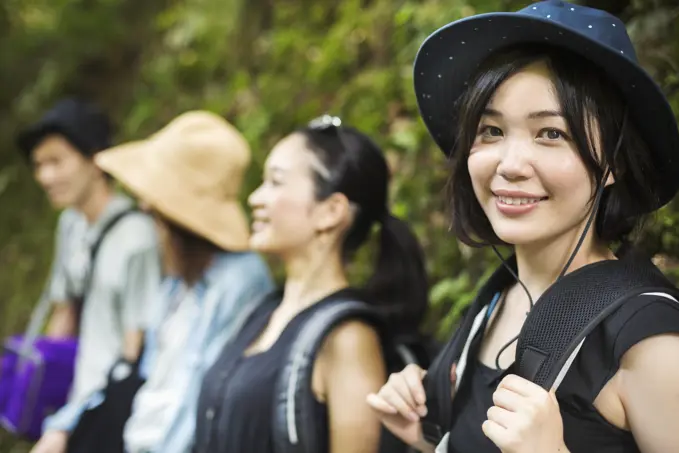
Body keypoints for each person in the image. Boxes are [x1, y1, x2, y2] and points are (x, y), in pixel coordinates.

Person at [367, 2, 679, 453]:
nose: (510, 165)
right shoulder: (496, 300)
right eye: (491, 131)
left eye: (551, 133)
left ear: (613, 160)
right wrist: (426, 435)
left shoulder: (648, 339)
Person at [193, 115, 430, 453]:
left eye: (276, 182)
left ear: (331, 211)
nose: (255, 198)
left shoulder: (348, 337)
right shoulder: (263, 311)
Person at [67, 110, 274, 453]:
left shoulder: (239, 280)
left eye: (155, 204)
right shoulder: (178, 282)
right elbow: (151, 377)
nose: (145, 207)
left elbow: (201, 397)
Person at [19, 98, 162, 453]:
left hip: (110, 413)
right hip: (76, 403)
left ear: (96, 159)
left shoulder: (137, 238)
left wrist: (69, 428)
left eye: (56, 161)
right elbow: (63, 311)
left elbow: (135, 348)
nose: (45, 177)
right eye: (39, 165)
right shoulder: (71, 225)